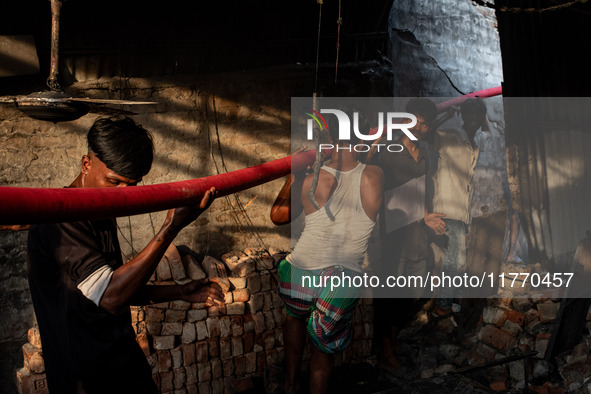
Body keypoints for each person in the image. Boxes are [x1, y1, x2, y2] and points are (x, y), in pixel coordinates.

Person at [27, 116, 224, 394]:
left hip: (122, 363)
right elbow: (110, 296)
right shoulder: (62, 218)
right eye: (114, 181)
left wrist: (181, 291)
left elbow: (108, 288)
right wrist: (171, 227)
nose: (124, 195)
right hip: (86, 379)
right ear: (86, 165)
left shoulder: (99, 207)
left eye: (132, 185)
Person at [270, 109, 383, 394]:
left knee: (293, 317)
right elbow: (361, 165)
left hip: (300, 270)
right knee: (322, 354)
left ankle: (290, 384)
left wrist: (293, 175)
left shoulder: (311, 179)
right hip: (340, 281)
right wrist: (368, 146)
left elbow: (278, 216)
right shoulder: (375, 176)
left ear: (328, 138)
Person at [365, 98, 446, 368]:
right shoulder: (387, 151)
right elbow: (368, 181)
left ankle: (390, 337)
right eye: (416, 121)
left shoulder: (424, 155)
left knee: (413, 291)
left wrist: (426, 216)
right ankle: (387, 349)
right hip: (393, 237)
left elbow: (419, 193)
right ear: (404, 121)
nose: (420, 127)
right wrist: (370, 151)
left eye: (425, 123)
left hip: (417, 235)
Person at [427, 98, 483, 316]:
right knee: (456, 259)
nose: (474, 120)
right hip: (446, 208)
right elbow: (426, 135)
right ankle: (442, 304)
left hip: (462, 212)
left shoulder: (474, 147)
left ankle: (442, 301)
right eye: (470, 115)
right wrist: (445, 116)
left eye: (478, 116)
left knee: (452, 259)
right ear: (463, 116)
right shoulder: (449, 137)